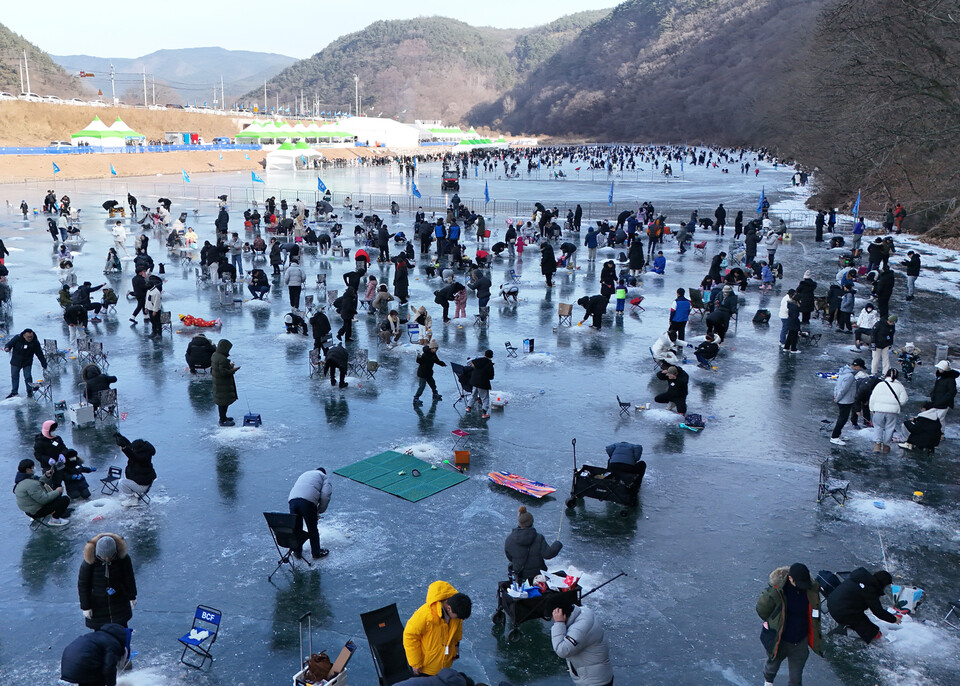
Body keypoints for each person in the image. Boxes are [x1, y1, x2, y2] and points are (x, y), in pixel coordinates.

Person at [756, 563, 822, 686]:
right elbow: (762, 610)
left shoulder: (809, 590)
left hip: (800, 641)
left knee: (796, 679)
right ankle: (768, 682)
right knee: (772, 667)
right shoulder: (777, 592)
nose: (803, 587)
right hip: (780, 640)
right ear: (790, 578)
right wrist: (773, 621)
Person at [403, 581, 472, 677]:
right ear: (449, 608)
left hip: (444, 666)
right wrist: (415, 663)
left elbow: (457, 631)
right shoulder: (425, 615)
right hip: (425, 668)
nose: (459, 619)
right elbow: (409, 636)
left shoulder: (456, 610)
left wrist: (456, 648)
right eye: (458, 617)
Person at [78, 533, 137, 630]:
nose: (107, 559)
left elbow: (129, 577)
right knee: (100, 633)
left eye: (110, 556)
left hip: (119, 601)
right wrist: (86, 606)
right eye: (103, 557)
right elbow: (83, 585)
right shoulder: (89, 564)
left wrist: (132, 596)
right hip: (97, 604)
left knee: (121, 629)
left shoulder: (123, 560)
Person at [826, 568, 900, 643]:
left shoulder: (861, 579)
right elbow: (878, 612)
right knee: (874, 633)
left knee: (862, 622)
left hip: (832, 604)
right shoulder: (870, 590)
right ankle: (844, 631)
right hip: (843, 611)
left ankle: (847, 625)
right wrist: (894, 619)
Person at [551, 602, 614, 686]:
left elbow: (562, 650)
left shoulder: (579, 629)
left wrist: (559, 623)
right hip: (599, 675)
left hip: (594, 682)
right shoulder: (583, 612)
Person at [60, 623, 131, 686]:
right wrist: (111, 684)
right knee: (99, 679)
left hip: (68, 665)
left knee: (87, 679)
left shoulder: (98, 636)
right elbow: (109, 668)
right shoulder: (112, 644)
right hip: (83, 666)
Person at [504, 506, 562, 582]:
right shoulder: (539, 538)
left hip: (521, 576)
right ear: (532, 522)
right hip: (538, 576)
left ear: (519, 523)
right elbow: (548, 555)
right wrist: (557, 544)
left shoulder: (509, 539)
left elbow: (510, 558)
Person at [287, 467, 332, 560]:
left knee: (297, 528)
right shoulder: (324, 477)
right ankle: (316, 552)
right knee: (312, 529)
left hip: (292, 501)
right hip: (307, 502)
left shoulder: (305, 473)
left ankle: (297, 552)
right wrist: (319, 510)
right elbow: (325, 495)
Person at [13, 458, 70, 525]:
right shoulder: (30, 484)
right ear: (27, 470)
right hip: (36, 511)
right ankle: (55, 519)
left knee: (53, 496)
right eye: (32, 467)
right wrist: (57, 491)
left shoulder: (21, 480)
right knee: (64, 499)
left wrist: (46, 476)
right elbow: (44, 499)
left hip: (28, 510)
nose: (34, 469)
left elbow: (37, 483)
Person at [829, 358, 867, 445]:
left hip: (841, 399)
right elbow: (844, 389)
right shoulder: (850, 376)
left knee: (842, 418)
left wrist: (836, 395)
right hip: (845, 400)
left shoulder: (843, 372)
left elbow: (838, 385)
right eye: (860, 368)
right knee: (843, 418)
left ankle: (837, 435)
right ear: (857, 367)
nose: (860, 370)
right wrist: (838, 398)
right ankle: (835, 437)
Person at [869, 368, 908, 453]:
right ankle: (886, 446)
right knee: (889, 428)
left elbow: (872, 398)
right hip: (892, 412)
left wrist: (872, 408)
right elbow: (903, 400)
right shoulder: (900, 386)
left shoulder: (880, 384)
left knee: (878, 427)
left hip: (879, 410)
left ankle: (877, 445)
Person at [114, 432, 157, 506]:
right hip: (141, 481)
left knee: (121, 482)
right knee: (126, 476)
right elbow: (130, 447)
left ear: (137, 449)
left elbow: (132, 456)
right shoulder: (144, 452)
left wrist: (124, 447)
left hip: (142, 485)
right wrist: (122, 438)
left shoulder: (142, 457)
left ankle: (132, 500)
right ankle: (134, 493)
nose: (132, 449)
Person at [4, 328, 47, 399]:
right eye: (28, 337)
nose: (30, 338)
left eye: (31, 337)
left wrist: (44, 364)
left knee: (28, 377)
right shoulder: (17, 338)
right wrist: (7, 348)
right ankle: (14, 392)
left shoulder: (35, 342)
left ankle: (29, 391)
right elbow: (9, 344)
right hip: (16, 361)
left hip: (27, 362)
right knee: (14, 376)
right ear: (24, 335)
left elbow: (39, 354)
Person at [211, 339, 240, 426]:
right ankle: (222, 420)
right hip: (223, 384)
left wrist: (229, 366)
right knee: (223, 403)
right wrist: (233, 370)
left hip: (218, 383)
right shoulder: (222, 359)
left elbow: (219, 368)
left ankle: (223, 417)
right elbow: (224, 372)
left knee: (222, 402)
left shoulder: (215, 355)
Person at [466, 350, 495, 418]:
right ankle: (484, 413)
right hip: (482, 383)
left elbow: (471, 365)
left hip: (474, 381)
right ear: (491, 356)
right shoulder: (489, 364)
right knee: (485, 398)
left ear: (484, 354)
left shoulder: (477, 360)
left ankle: (468, 407)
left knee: (473, 395)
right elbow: (491, 376)